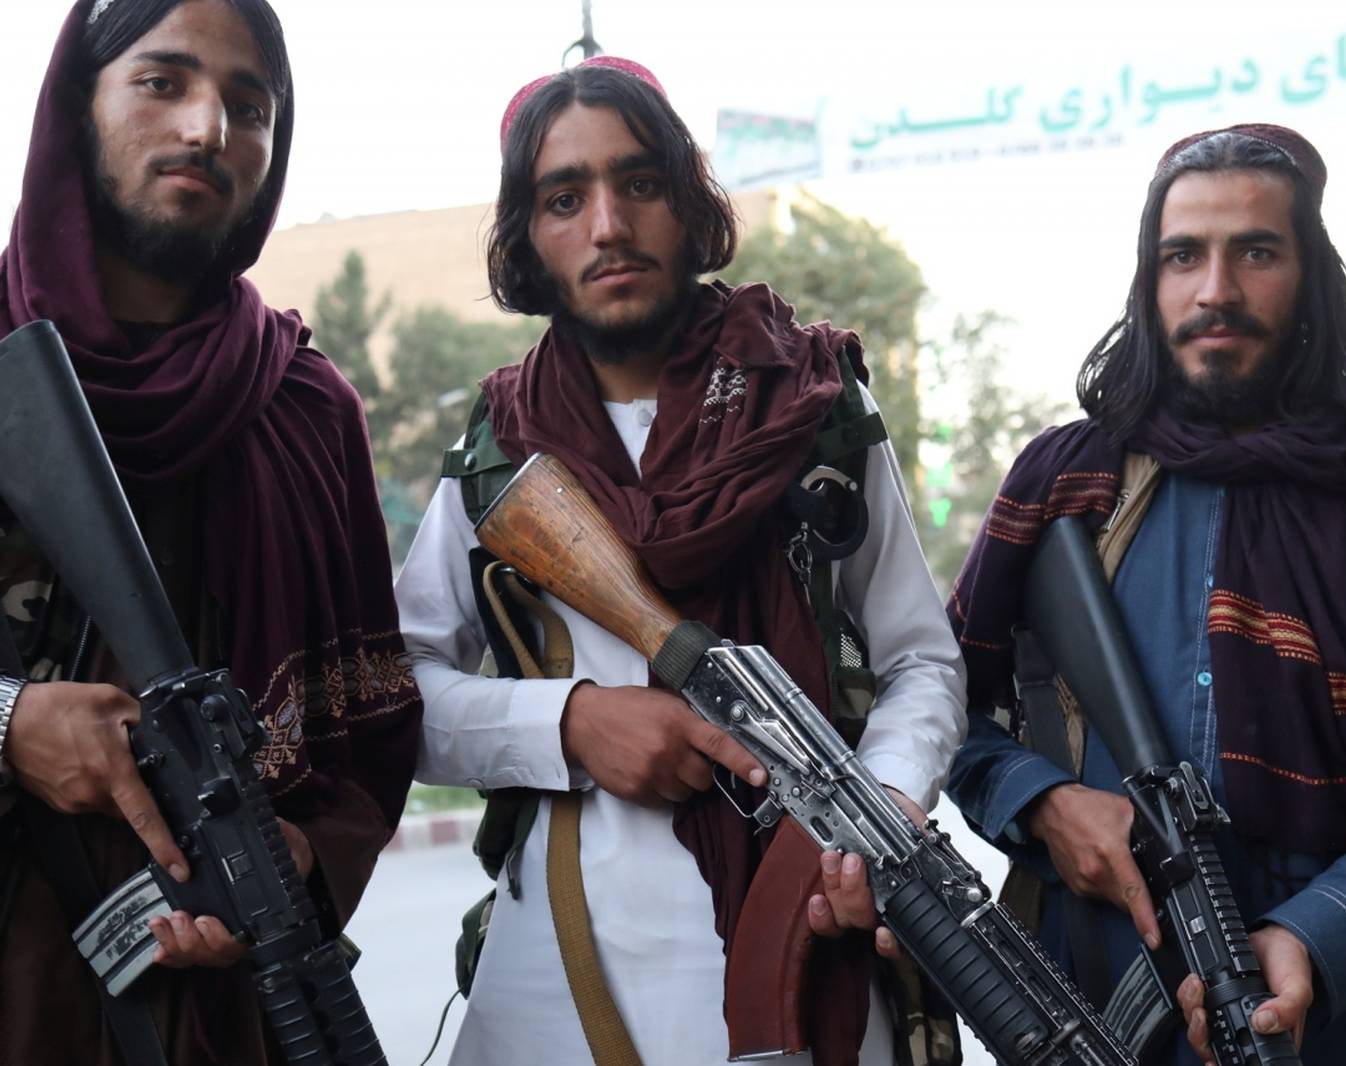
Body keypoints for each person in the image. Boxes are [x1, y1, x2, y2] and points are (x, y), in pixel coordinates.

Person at [0, 1, 418, 1062]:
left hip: (219, 1019)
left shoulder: (305, 410)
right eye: (161, 82)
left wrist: (297, 859)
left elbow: (373, 724)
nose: (209, 128)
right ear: (76, 106)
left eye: (249, 105)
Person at [395, 57, 966, 1066]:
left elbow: (921, 657)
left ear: (688, 204)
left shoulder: (813, 401)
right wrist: (567, 721)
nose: (608, 226)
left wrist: (878, 803)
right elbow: (400, 693)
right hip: (558, 973)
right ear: (528, 239)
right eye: (564, 198)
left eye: (639, 184)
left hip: (812, 941)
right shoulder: (498, 444)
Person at [946, 123, 1346, 1064]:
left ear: (1311, 275)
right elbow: (939, 700)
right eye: (1182, 256)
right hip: (1086, 992)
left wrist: (1322, 929)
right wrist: (1041, 803)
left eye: (1256, 252)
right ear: (1149, 284)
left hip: (1334, 1016)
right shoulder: (1067, 482)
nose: (1215, 290)